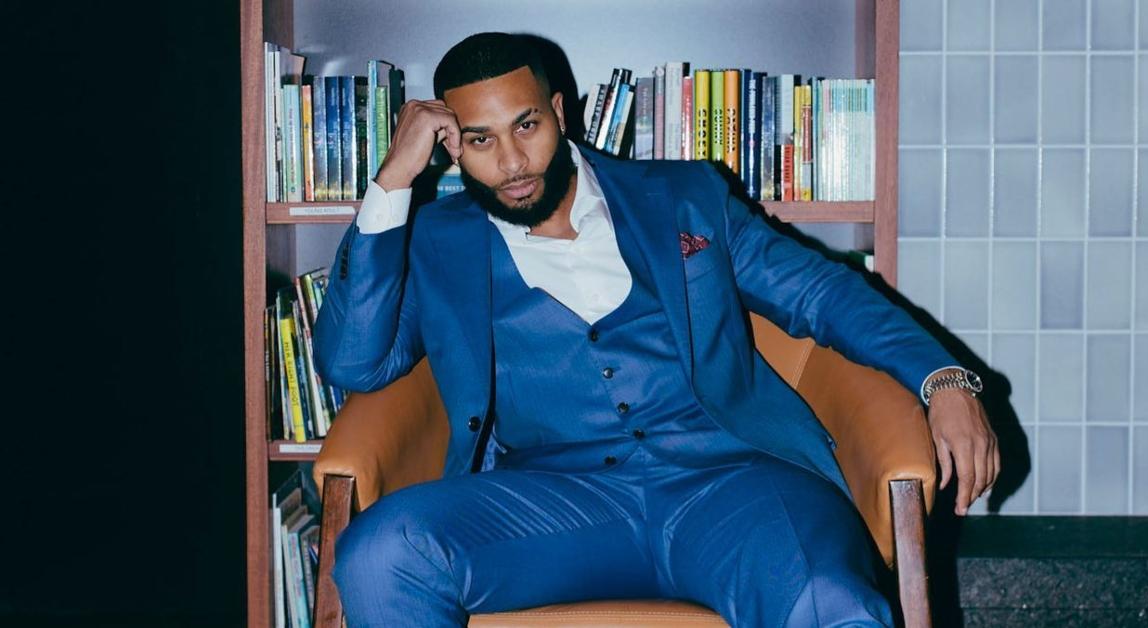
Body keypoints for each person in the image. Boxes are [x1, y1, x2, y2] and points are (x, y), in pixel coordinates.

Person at [313, 31, 998, 628]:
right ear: (450, 147)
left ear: (559, 111)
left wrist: (943, 381)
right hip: (558, 503)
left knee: (826, 601)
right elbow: (354, 362)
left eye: (526, 126)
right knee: (380, 555)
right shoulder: (437, 240)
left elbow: (821, 294)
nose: (513, 162)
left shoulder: (682, 196)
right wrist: (392, 183)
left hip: (735, 485)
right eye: (480, 140)